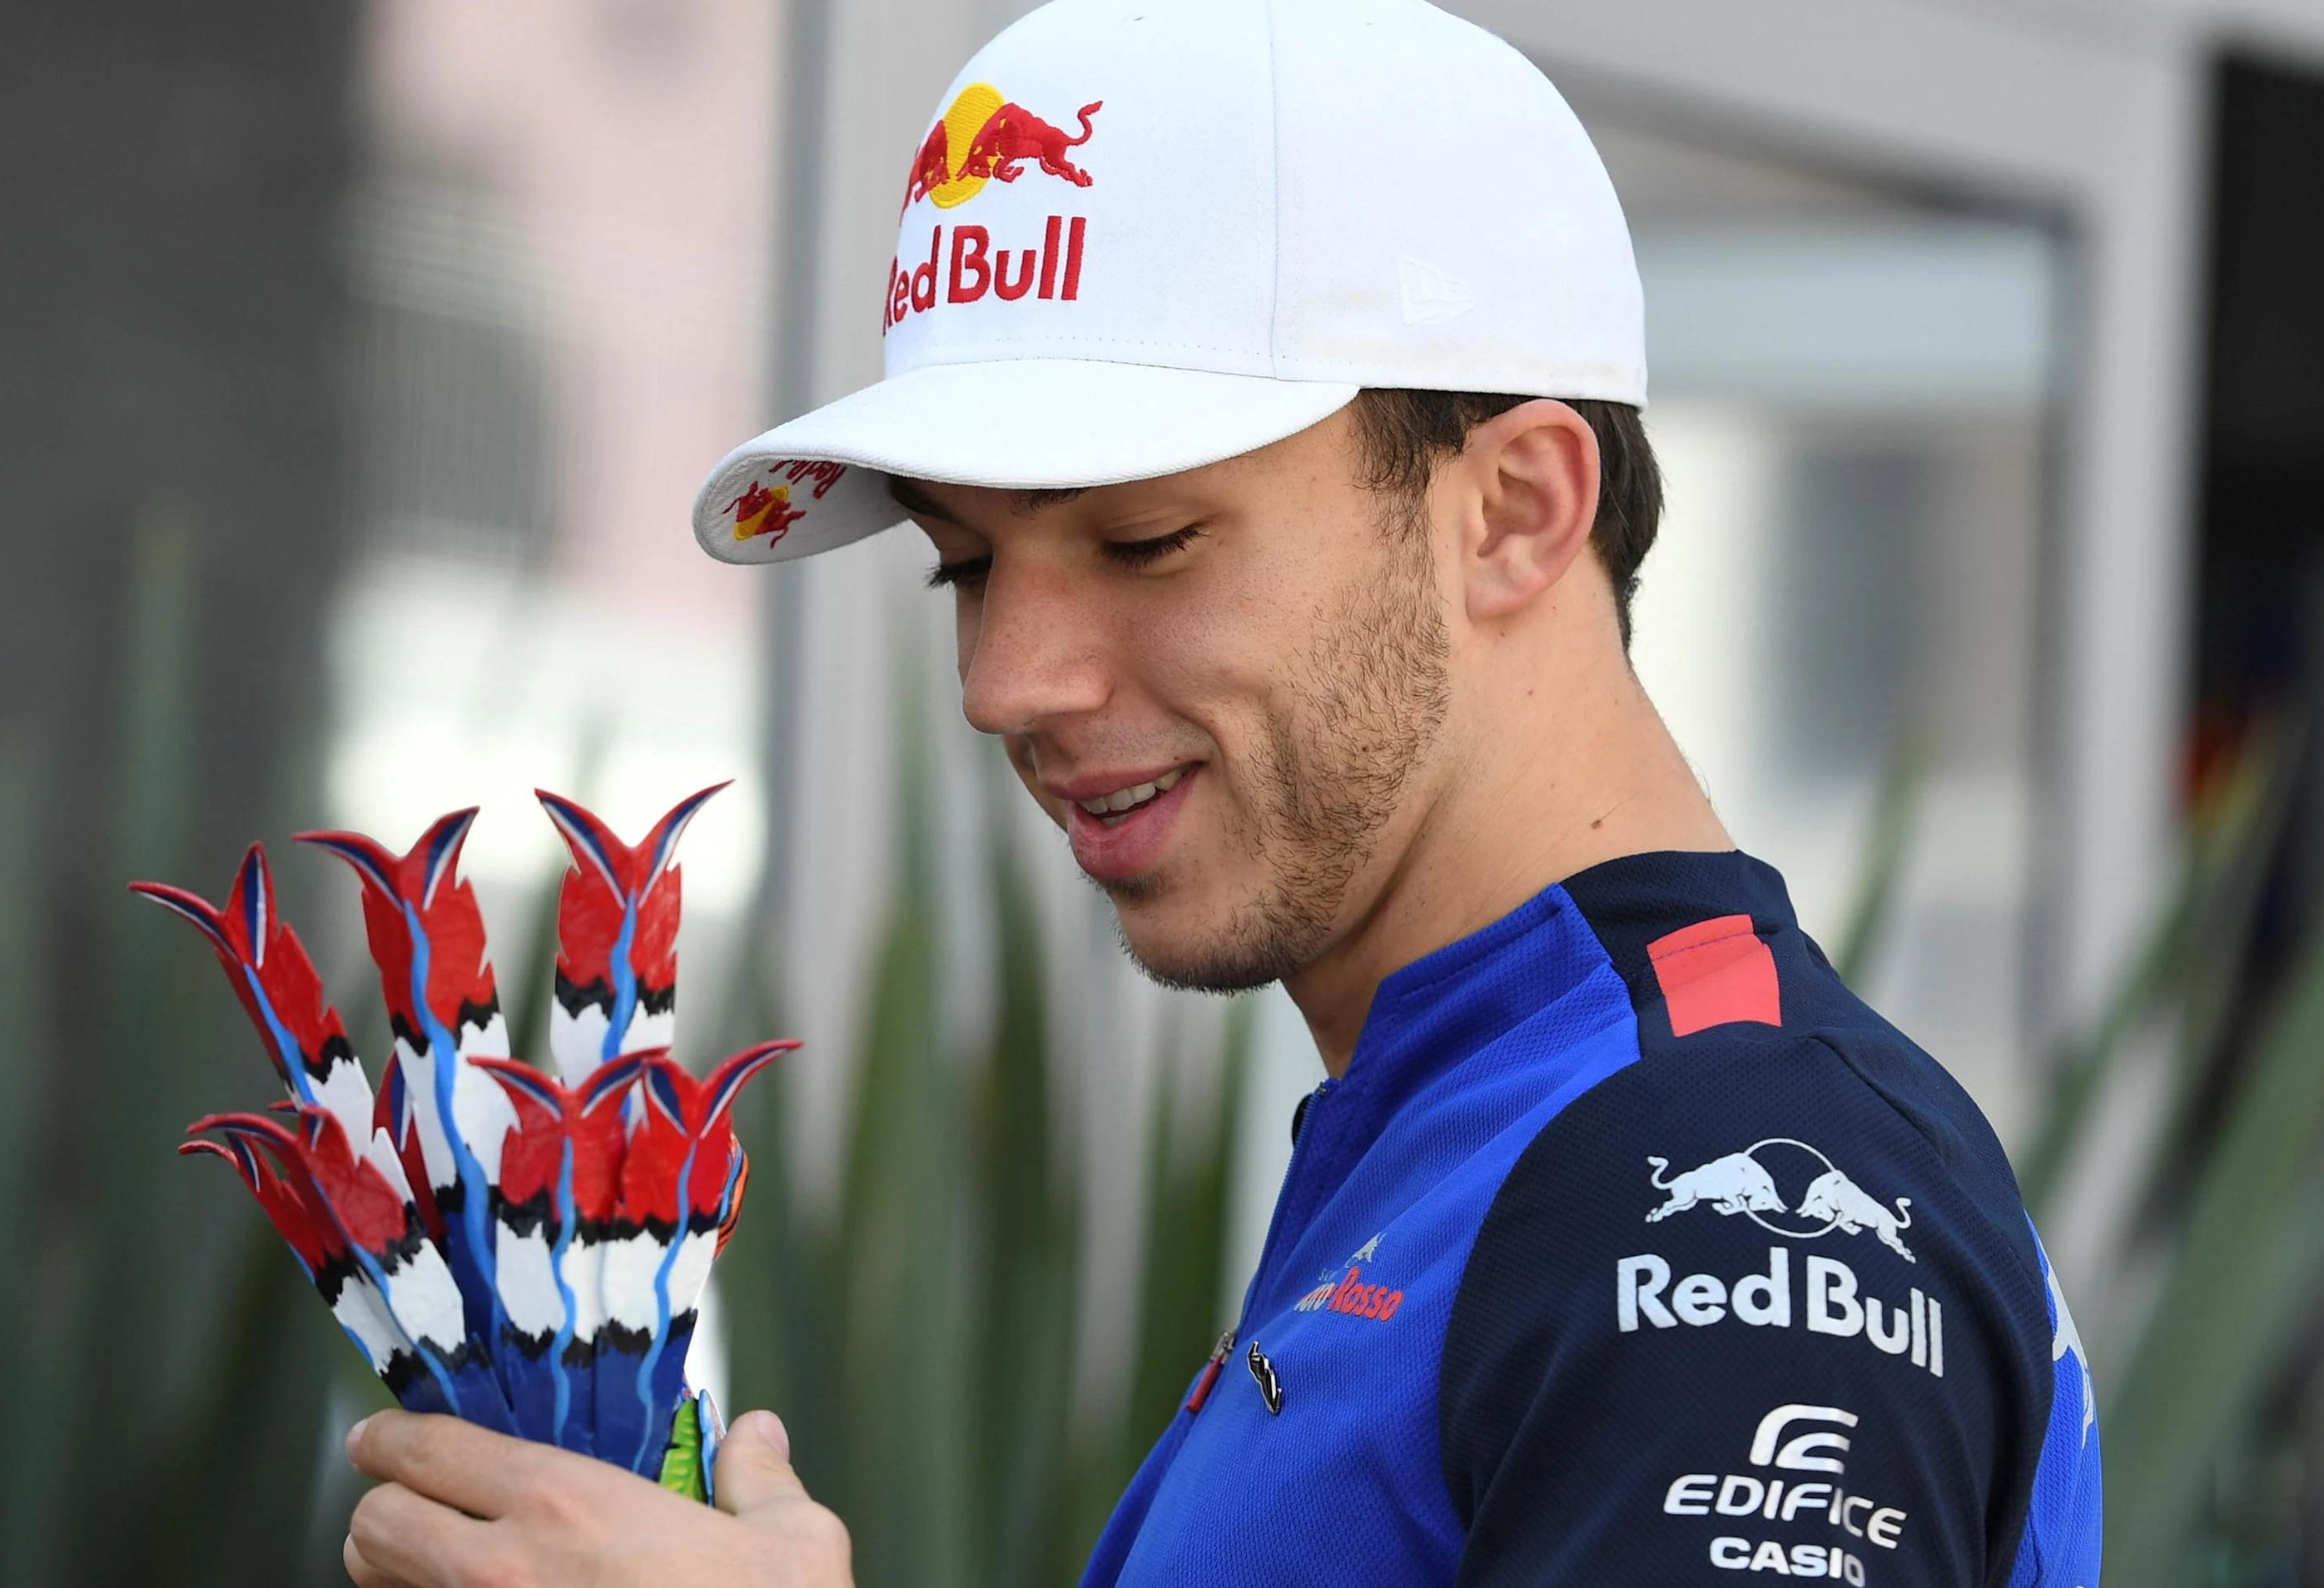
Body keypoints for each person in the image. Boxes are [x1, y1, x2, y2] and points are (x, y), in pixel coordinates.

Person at [338, 1, 2107, 1584]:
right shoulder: (1491, 1130)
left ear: (1514, 511)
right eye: (967, 567)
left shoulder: (1717, 1186)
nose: (1003, 683)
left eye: (1145, 540)